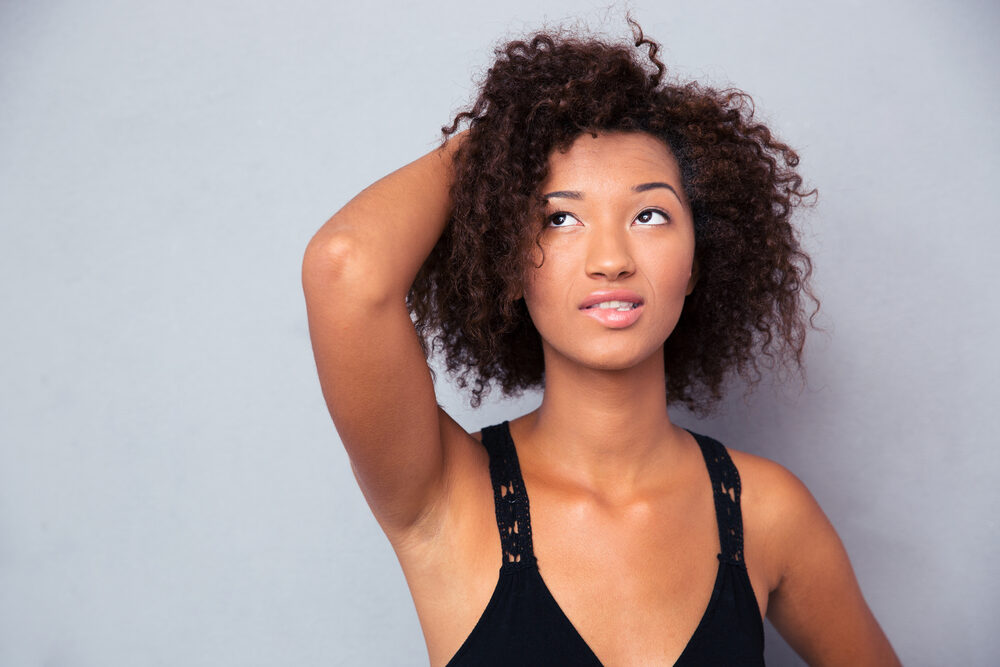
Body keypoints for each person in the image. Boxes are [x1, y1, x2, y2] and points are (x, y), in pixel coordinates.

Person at [302, 18, 901, 666]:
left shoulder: (768, 512)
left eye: (649, 215)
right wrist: (504, 143)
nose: (610, 258)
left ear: (698, 259)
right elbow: (345, 267)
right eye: (560, 218)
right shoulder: (447, 495)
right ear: (508, 258)